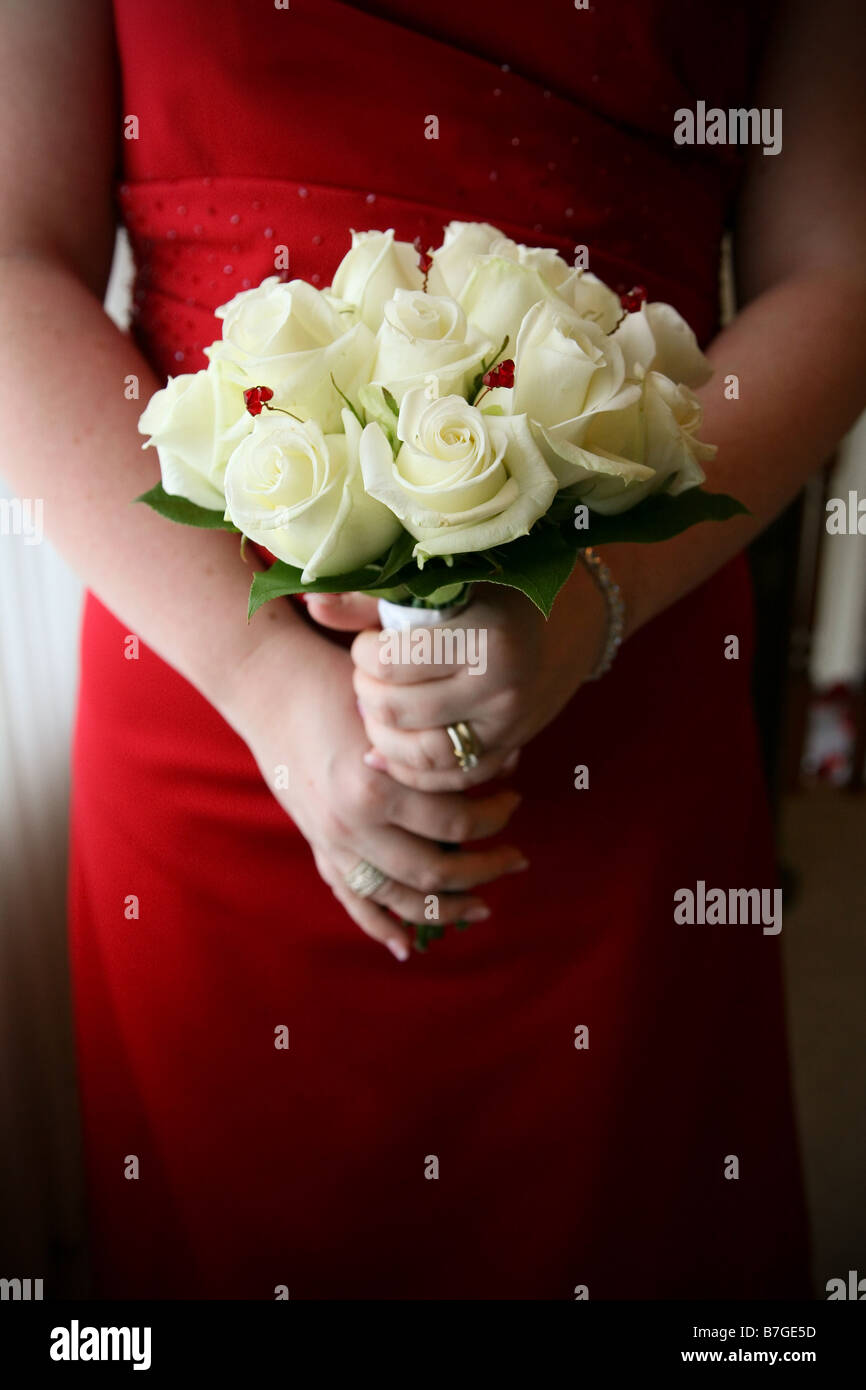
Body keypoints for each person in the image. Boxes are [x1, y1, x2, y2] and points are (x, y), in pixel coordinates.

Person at [1, 0, 863, 1299]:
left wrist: (596, 599)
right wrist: (262, 683)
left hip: (620, 669)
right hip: (205, 675)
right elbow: (13, 253)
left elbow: (835, 266)